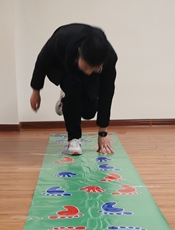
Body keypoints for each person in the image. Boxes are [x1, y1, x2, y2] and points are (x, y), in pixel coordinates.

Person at [30, 24, 118, 156]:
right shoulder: (61, 38)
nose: (88, 72)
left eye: (94, 69)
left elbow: (107, 93)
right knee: (73, 93)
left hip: (82, 64)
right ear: (79, 51)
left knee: (89, 112)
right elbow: (42, 61)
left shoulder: (110, 58)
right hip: (62, 64)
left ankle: (65, 100)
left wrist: (103, 133)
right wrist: (36, 91)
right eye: (87, 67)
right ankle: (74, 138)